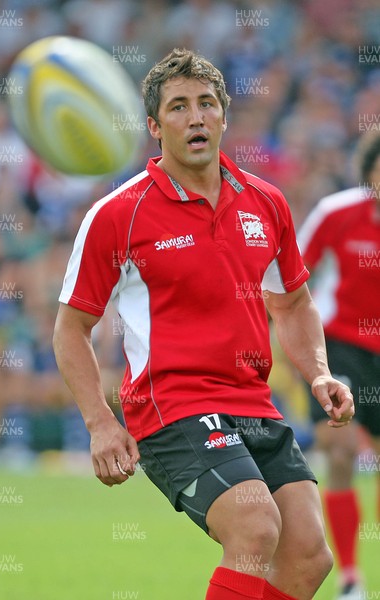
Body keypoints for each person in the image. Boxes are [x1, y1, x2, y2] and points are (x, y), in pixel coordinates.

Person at [53, 49, 354, 600]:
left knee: (310, 556)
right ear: (154, 125)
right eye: (179, 107)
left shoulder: (266, 202)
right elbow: (71, 327)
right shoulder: (119, 214)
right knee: (255, 526)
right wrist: (99, 422)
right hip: (172, 407)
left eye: (207, 104)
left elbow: (291, 304)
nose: (196, 117)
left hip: (252, 402)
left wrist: (318, 374)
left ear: (223, 115)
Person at [297, 131, 380, 600]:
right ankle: (350, 579)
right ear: (369, 172)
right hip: (342, 346)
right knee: (343, 452)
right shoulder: (336, 214)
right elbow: (290, 275)